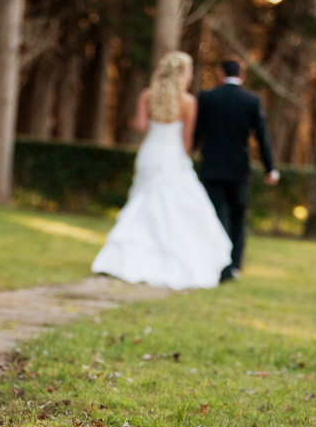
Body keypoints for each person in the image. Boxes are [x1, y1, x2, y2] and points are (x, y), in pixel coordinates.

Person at [91, 51, 232, 290]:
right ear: (182, 73)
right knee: (174, 206)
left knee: (142, 203)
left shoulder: (147, 95)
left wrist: (134, 122)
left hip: (151, 152)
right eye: (188, 71)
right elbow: (188, 140)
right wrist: (182, 159)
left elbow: (141, 126)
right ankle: (173, 257)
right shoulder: (188, 102)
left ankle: (127, 259)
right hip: (172, 156)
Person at [193, 57, 279, 282]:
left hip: (212, 166)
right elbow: (262, 137)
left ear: (221, 74)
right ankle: (234, 266)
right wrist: (270, 168)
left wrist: (186, 154)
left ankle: (216, 263)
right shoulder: (252, 100)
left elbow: (197, 132)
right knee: (238, 216)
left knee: (216, 214)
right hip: (240, 168)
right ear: (241, 75)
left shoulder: (208, 97)